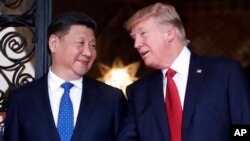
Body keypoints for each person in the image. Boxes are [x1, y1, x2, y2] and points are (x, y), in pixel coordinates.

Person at [118, 2, 250, 141]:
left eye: (143, 34)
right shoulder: (139, 92)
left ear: (169, 33)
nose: (136, 44)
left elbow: (243, 129)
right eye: (134, 38)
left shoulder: (225, 73)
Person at [4, 11, 126, 141]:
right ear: (54, 43)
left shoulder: (111, 99)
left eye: (93, 45)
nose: (88, 52)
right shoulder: (21, 100)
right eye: (81, 42)